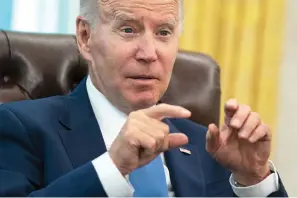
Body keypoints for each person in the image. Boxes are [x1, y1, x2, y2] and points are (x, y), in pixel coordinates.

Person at [0, 0, 288, 197]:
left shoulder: (208, 148)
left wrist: (255, 180)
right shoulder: (21, 127)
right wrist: (114, 168)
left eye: (164, 32)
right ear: (85, 36)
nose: (149, 53)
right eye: (128, 29)